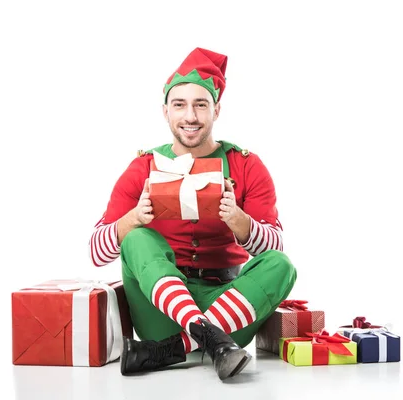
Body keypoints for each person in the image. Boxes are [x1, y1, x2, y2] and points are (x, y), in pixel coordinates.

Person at [89, 47, 296, 380]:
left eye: (201, 105)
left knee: (282, 266)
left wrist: (240, 222)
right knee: (137, 237)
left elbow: (274, 248)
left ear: (216, 109)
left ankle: (174, 349)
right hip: (159, 307)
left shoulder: (247, 165)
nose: (190, 116)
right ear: (165, 111)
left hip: (230, 308)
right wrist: (134, 218)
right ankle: (208, 341)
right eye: (179, 105)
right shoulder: (143, 167)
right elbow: (96, 251)